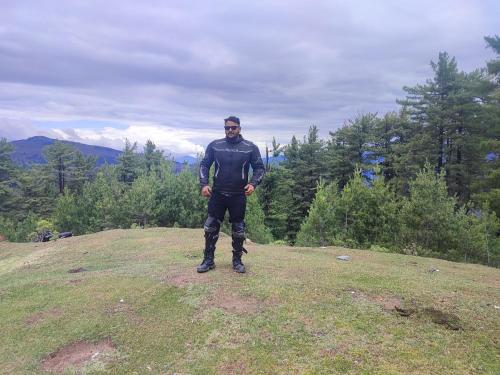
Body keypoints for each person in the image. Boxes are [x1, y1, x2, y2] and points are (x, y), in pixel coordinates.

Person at [197, 116, 265, 273]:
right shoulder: (215, 145)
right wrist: (204, 184)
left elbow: (260, 168)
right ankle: (208, 260)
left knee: (238, 228)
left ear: (239, 128)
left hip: (238, 194)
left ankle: (237, 261)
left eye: (233, 127)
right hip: (218, 193)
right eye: (227, 128)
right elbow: (204, 164)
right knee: (210, 226)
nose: (230, 130)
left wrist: (253, 184)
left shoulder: (250, 147)